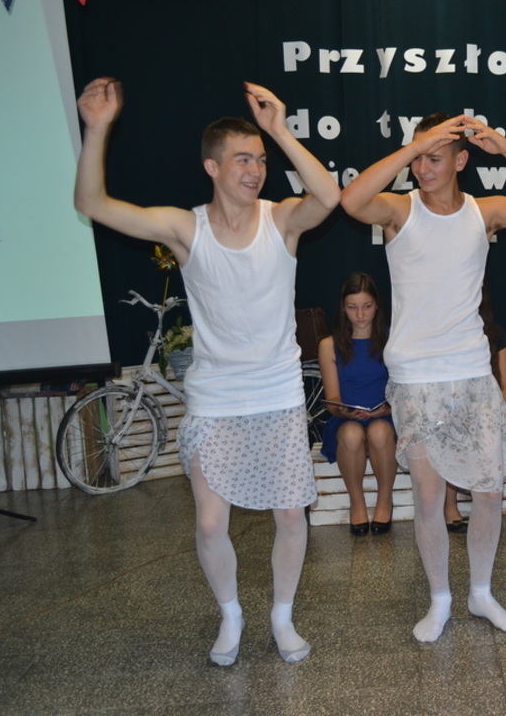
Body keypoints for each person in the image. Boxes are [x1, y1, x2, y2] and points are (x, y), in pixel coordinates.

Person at [74, 78, 341, 665]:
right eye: (243, 159)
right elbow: (92, 205)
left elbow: (328, 196)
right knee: (212, 521)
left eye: (261, 160)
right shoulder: (186, 227)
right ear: (212, 167)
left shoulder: (281, 220)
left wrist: (279, 130)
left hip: (276, 394)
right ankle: (231, 615)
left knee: (290, 513)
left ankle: (282, 616)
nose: (256, 170)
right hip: (216, 398)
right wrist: (97, 130)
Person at [340, 112, 506, 642]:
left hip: (471, 373)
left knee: (488, 492)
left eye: (434, 158)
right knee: (428, 495)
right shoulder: (400, 210)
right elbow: (351, 200)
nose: (422, 168)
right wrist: (415, 147)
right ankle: (439, 600)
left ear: (461, 161)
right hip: (416, 377)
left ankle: (480, 592)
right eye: (417, 158)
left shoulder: (484, 213)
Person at [317, 272, 397, 537]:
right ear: (343, 307)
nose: (360, 315)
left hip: (386, 416)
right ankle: (357, 502)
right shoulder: (329, 345)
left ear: (377, 305)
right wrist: (343, 410)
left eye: (367, 306)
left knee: (380, 432)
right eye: (352, 307)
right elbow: (332, 398)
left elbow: (403, 390)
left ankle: (384, 501)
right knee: (352, 434)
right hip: (345, 420)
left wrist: (388, 408)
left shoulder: (393, 339)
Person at [443, 285, 506, 532]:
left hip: (487, 412)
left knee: (481, 432)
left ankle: (483, 505)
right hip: (452, 412)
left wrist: (488, 412)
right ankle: (449, 505)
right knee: (451, 432)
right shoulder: (445, 337)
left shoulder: (497, 335)